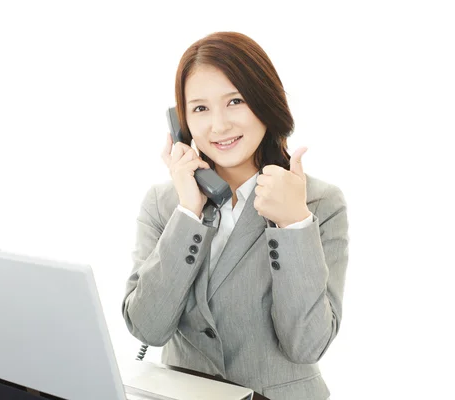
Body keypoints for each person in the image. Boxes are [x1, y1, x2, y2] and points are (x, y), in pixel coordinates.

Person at [122, 31, 348, 400]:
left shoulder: (320, 202)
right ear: (181, 124)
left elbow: (306, 346)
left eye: (235, 101)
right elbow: (147, 328)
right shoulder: (165, 204)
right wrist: (188, 213)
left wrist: (293, 225)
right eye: (200, 108)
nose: (219, 126)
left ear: (265, 101)